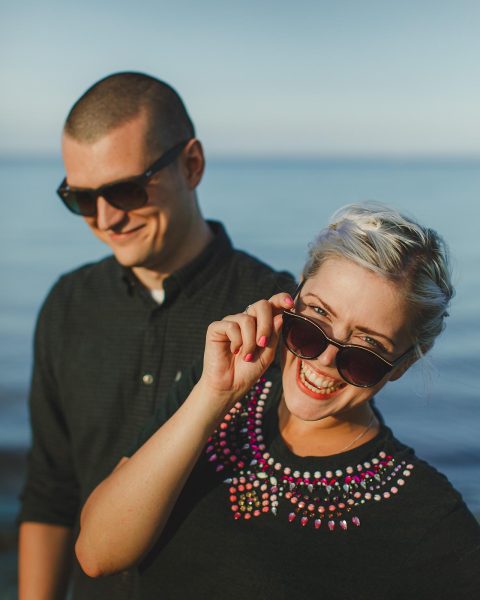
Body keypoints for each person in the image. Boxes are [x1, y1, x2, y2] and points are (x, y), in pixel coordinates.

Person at [76, 202, 480, 599]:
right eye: (314, 320)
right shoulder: (211, 390)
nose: (324, 360)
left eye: (365, 350)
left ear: (403, 364)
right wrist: (214, 396)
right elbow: (97, 553)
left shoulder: (427, 516)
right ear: (294, 295)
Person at [18, 72, 294, 599]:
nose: (105, 218)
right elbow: (50, 492)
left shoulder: (275, 309)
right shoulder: (67, 305)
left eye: (125, 189)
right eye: (80, 198)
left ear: (192, 165)